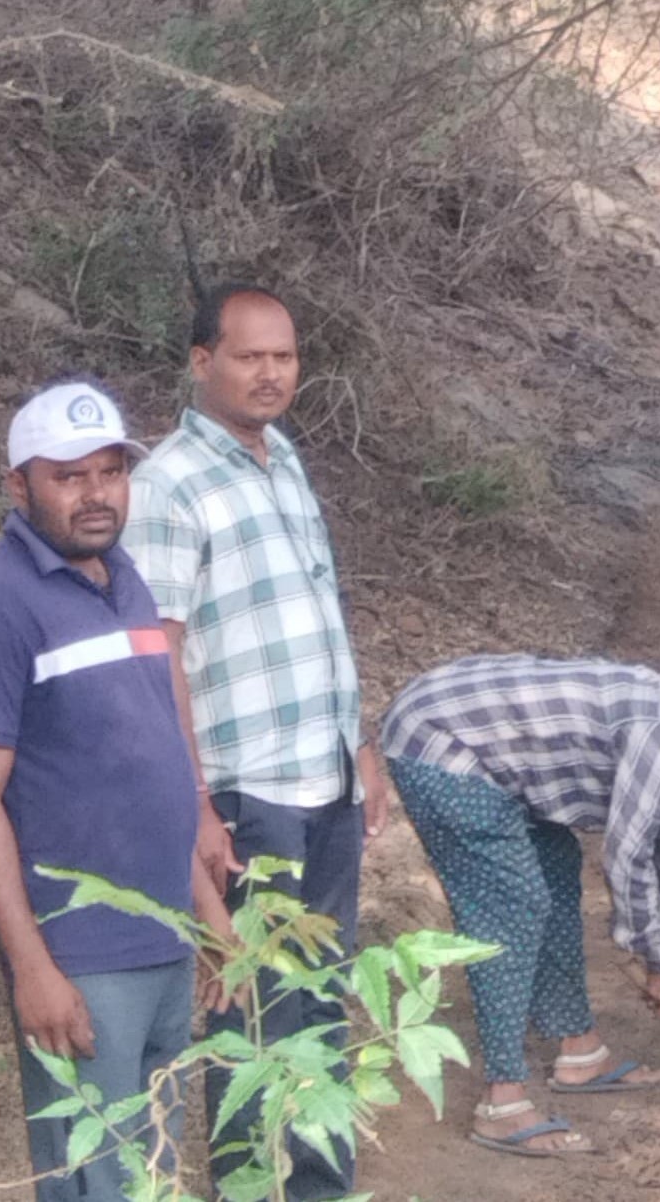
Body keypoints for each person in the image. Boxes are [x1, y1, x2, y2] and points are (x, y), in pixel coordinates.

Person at [0, 382, 234, 1202]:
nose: (96, 494)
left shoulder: (125, 577)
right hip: (83, 959)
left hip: (165, 940)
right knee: (96, 1178)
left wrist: (207, 915)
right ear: (17, 486)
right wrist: (33, 967)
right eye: (68, 476)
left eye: (109, 471)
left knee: (155, 1164)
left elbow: (156, 768)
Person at [120, 283, 389, 1202]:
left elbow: (317, 614)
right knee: (243, 1016)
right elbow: (160, 656)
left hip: (323, 784)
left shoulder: (285, 458)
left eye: (284, 356)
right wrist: (192, 803)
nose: (271, 373)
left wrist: (358, 743)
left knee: (319, 1005)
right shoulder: (165, 485)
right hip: (245, 796)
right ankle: (246, 1188)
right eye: (249, 356)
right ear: (202, 364)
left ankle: (319, 1187)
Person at [380, 658, 660, 1158]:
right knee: (513, 901)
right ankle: (501, 1104)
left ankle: (578, 1052)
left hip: (485, 752)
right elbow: (626, 855)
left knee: (557, 865)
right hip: (437, 738)